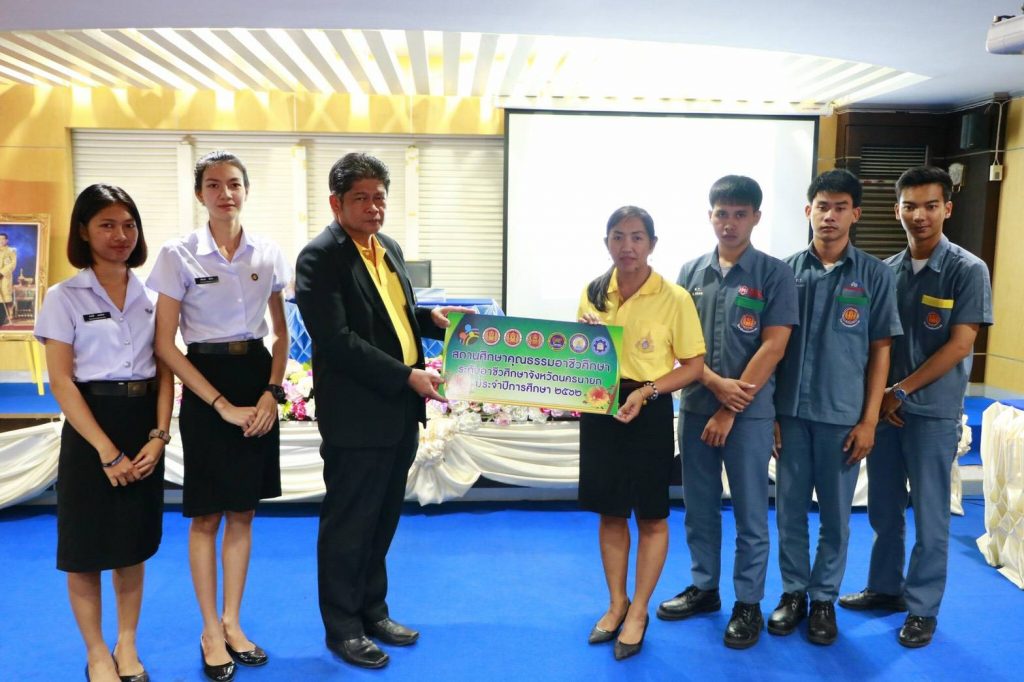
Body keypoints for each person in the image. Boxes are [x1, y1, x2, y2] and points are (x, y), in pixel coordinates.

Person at [294, 152, 470, 670]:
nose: (373, 207)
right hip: (357, 417)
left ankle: (373, 611)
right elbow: (338, 340)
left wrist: (431, 319)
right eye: (361, 198)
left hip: (397, 413)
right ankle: (343, 628)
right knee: (349, 525)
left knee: (382, 520)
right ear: (336, 203)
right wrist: (407, 376)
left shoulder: (386, 247)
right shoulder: (319, 257)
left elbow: (392, 315)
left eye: (379, 197)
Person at [148, 151, 289, 681]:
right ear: (199, 194)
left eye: (233, 184)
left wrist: (272, 393)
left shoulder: (268, 252)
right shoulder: (177, 254)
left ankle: (233, 621)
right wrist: (221, 405)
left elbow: (281, 335)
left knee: (244, 511)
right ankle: (209, 629)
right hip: (205, 381)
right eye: (213, 185)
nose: (224, 193)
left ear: (245, 190)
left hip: (256, 377)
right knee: (207, 515)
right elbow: (165, 344)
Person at [839, 166, 993, 648]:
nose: (920, 215)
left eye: (930, 205)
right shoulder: (885, 271)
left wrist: (900, 391)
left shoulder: (968, 269)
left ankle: (923, 608)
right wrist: (877, 401)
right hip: (885, 412)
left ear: (948, 208)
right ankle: (886, 588)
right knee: (884, 509)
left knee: (930, 516)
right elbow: (874, 343)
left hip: (931, 414)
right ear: (897, 211)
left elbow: (960, 344)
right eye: (910, 206)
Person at [35, 184, 172, 682]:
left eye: (128, 225)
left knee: (132, 546)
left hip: (143, 425)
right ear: (84, 232)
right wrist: (107, 451)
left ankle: (127, 643)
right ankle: (96, 652)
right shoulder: (63, 297)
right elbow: (61, 381)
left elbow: (166, 370)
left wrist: (159, 436)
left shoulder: (153, 296)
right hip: (90, 428)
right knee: (86, 549)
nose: (120, 235)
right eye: (107, 225)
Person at [658, 176, 797, 649]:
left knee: (751, 513)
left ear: (756, 217)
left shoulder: (774, 274)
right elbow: (677, 345)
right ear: (710, 215)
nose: (729, 223)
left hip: (750, 416)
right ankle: (704, 588)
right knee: (698, 508)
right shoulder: (690, 272)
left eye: (740, 214)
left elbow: (774, 346)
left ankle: (748, 602)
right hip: (696, 408)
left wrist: (731, 408)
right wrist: (715, 388)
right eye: (722, 213)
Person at [769, 169, 902, 645]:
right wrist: (771, 415)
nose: (829, 216)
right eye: (822, 206)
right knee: (789, 512)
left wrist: (869, 420)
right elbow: (770, 350)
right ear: (808, 210)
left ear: (855, 214)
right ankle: (793, 593)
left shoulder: (875, 275)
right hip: (790, 415)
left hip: (843, 418)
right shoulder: (783, 271)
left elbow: (881, 350)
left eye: (840, 207)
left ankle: (824, 598)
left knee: (835, 518)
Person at [577, 205, 705, 661]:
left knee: (651, 515)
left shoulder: (674, 297)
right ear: (606, 242)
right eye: (618, 236)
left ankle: (639, 611)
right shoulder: (594, 292)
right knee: (610, 512)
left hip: (649, 406)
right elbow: (583, 356)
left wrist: (647, 391)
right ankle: (617, 604)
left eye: (636, 237)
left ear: (652, 244)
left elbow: (693, 366)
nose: (627, 246)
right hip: (601, 406)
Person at [0, 232, 16, 323]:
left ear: (7, 240)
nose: (1, 241)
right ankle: (2, 316)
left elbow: (13, 264)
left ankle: (10, 314)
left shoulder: (11, 251)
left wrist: (2, 273)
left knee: (6, 295)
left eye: (3, 239)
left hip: (5, 277)